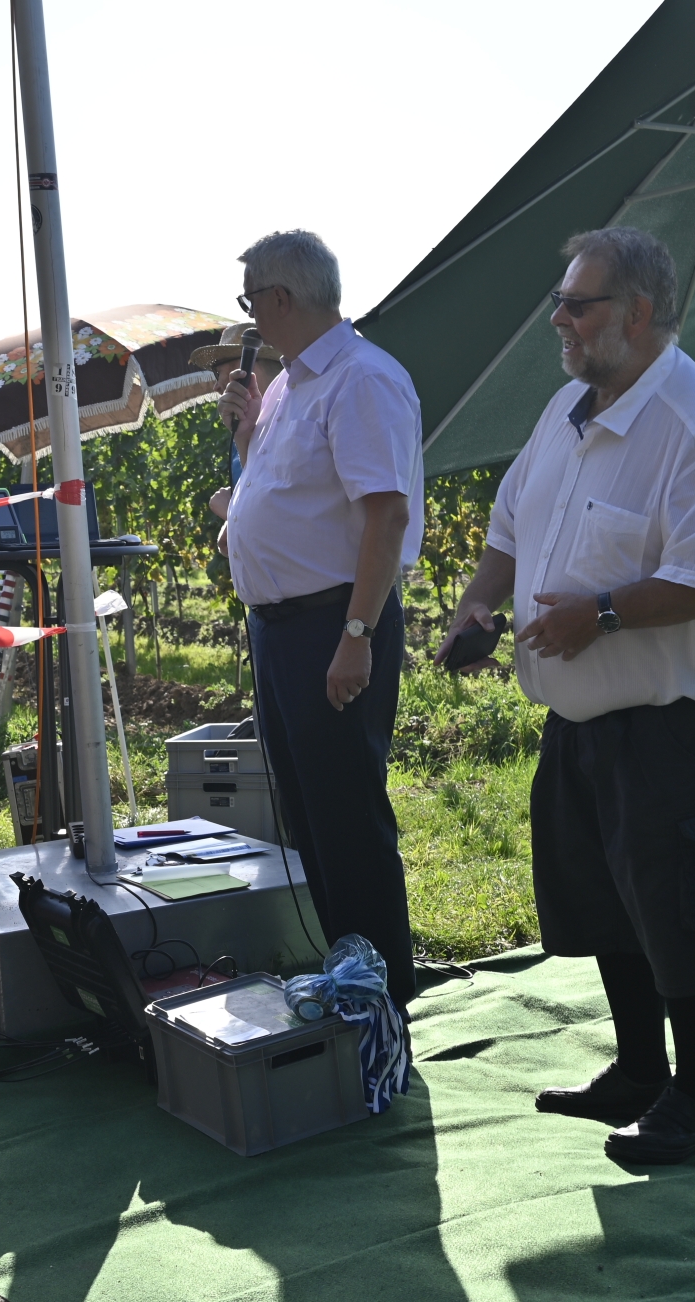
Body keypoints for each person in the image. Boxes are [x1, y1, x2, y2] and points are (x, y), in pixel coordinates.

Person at [438, 227, 695, 1165]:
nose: (558, 319)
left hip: (683, 724)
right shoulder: (568, 408)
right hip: (587, 721)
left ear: (637, 313)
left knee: (680, 913)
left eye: (578, 303)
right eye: (560, 301)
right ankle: (640, 1069)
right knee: (610, 901)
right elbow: (510, 528)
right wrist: (480, 604)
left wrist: (598, 615)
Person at [218, 230, 424, 1007]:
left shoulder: (361, 380)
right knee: (310, 817)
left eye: (250, 301)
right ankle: (349, 978)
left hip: (332, 624)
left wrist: (357, 635)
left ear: (280, 298)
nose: (249, 318)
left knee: (347, 822)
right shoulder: (287, 388)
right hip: (281, 630)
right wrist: (246, 438)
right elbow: (288, 495)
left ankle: (383, 1003)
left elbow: (386, 515)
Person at [190, 322, 285, 524]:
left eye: (218, 373)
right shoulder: (241, 432)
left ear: (245, 368)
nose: (216, 386)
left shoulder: (294, 425)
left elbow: (279, 517)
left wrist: (230, 511)